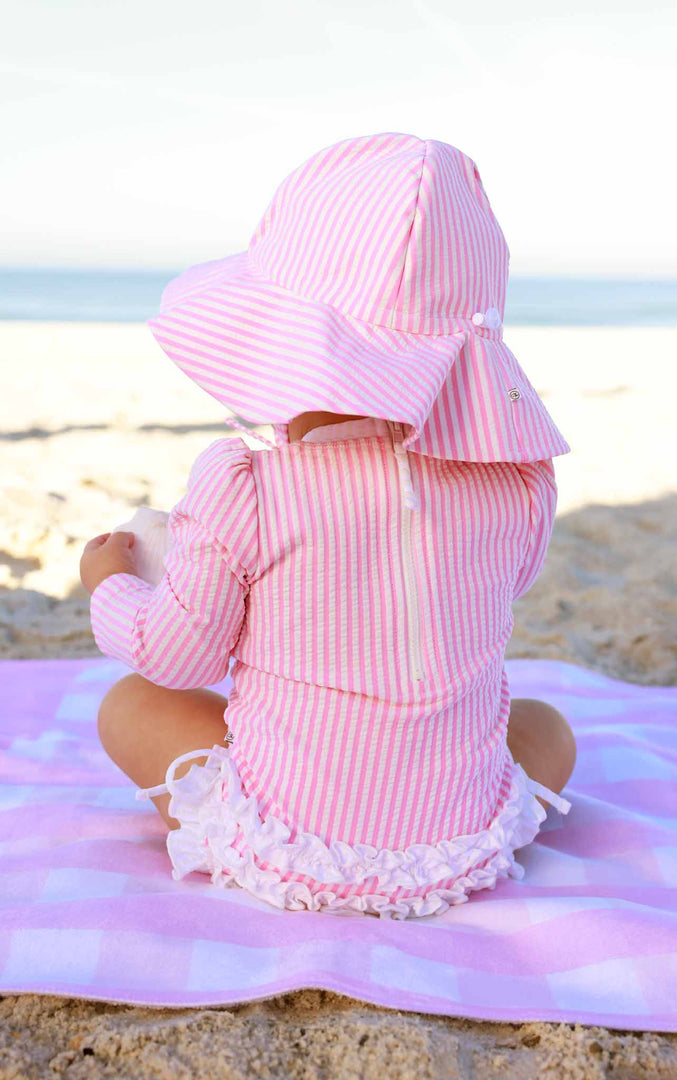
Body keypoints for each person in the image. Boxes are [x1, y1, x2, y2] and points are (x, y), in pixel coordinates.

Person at [80, 132, 577, 919]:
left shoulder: (248, 485)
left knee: (132, 703)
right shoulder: (514, 481)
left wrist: (111, 588)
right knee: (548, 727)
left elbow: (181, 656)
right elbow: (503, 583)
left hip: (291, 843)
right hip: (457, 846)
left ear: (285, 344)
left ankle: (268, 858)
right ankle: (441, 846)